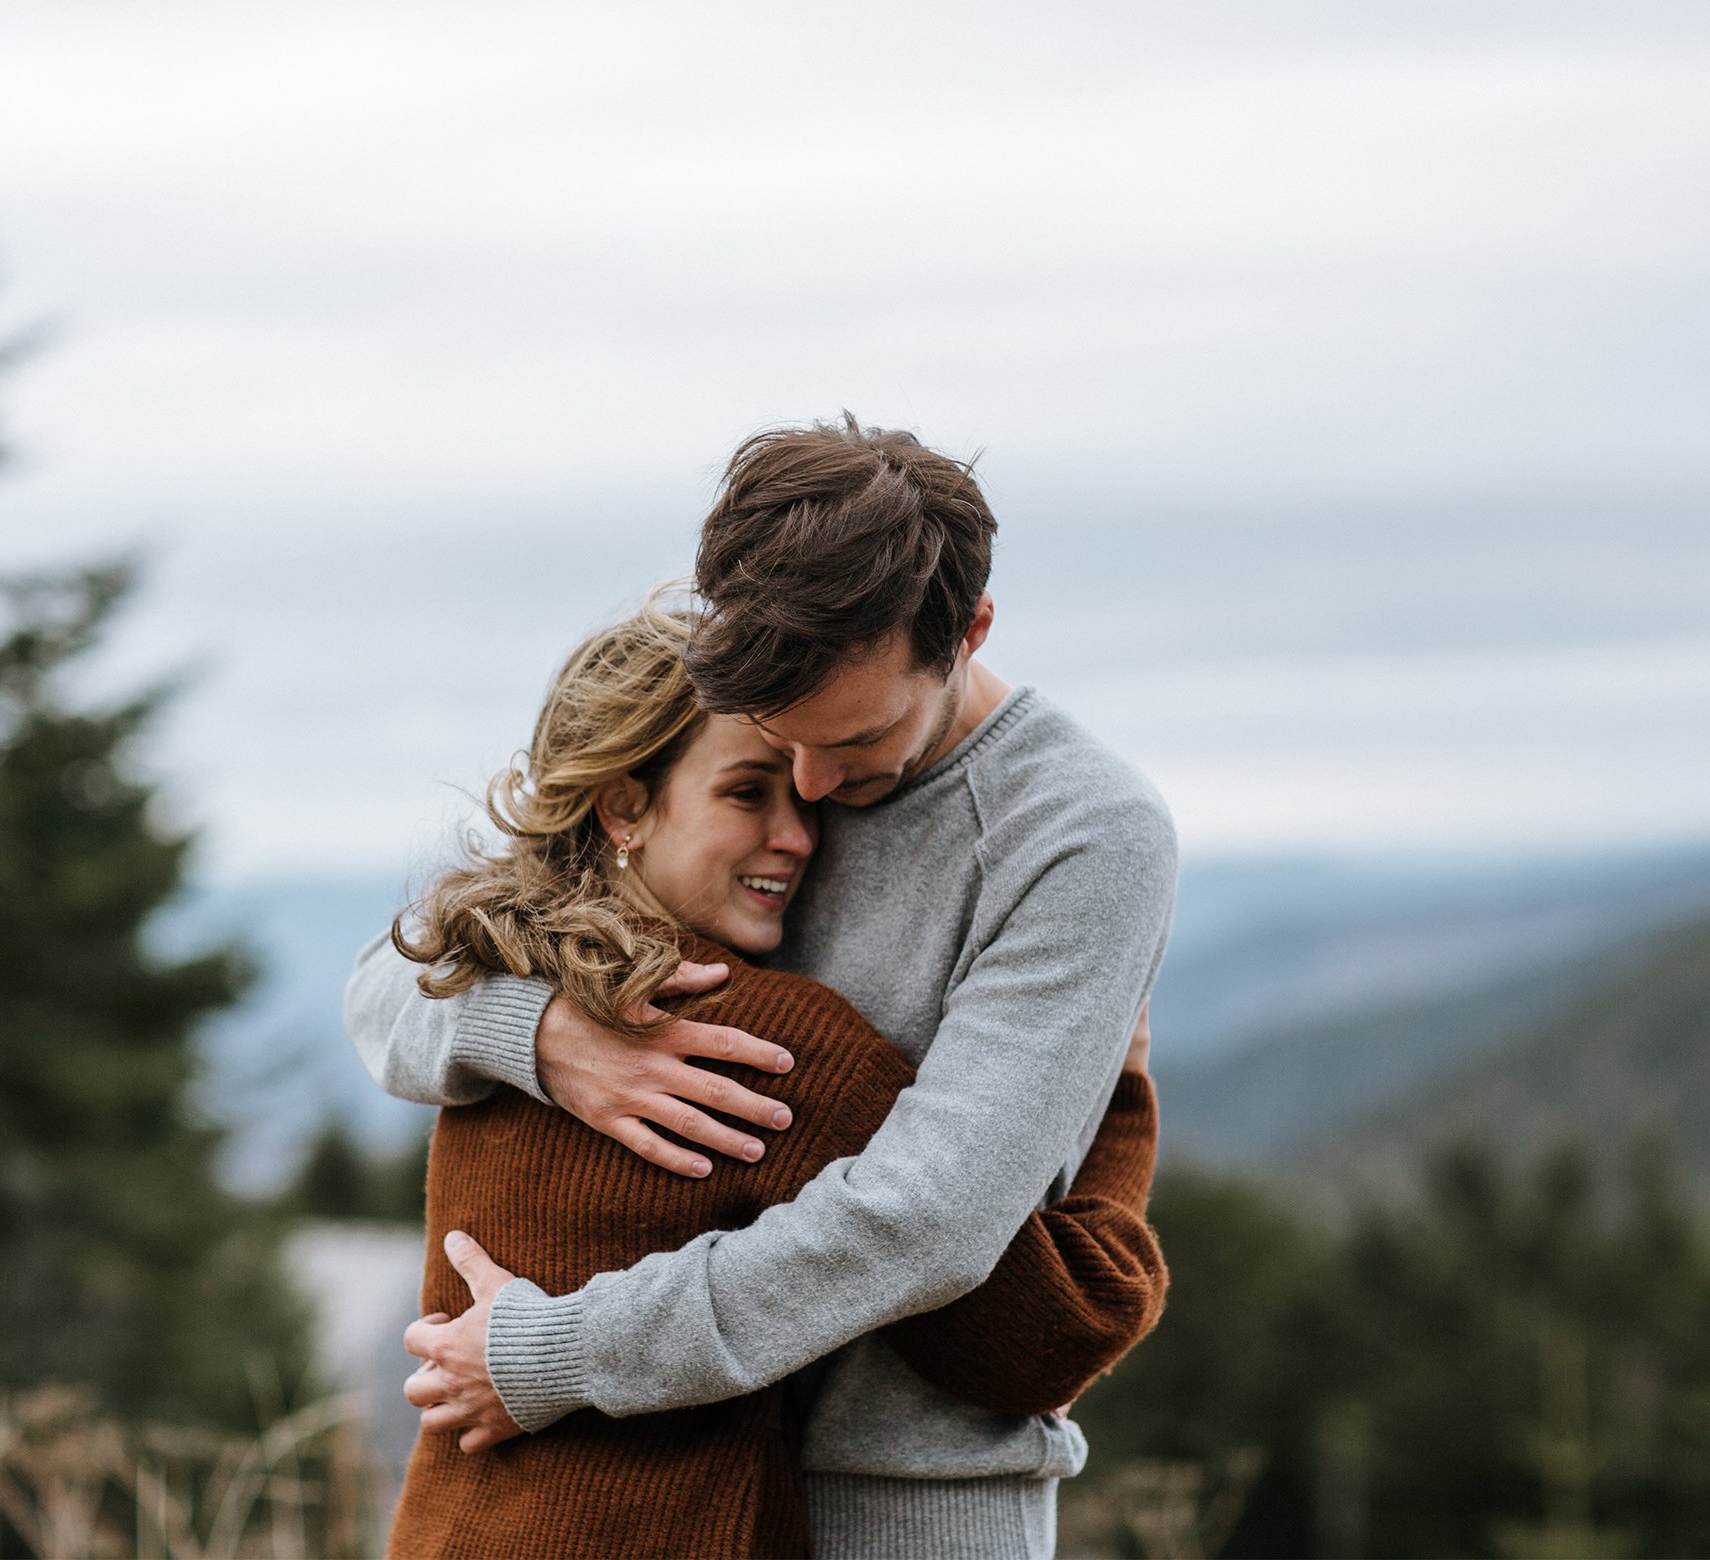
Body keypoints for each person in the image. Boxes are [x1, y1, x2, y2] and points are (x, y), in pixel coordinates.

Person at [347, 416, 1177, 1557]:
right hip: (677, 1482)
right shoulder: (735, 734)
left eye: (859, 737)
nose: (817, 790)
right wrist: (546, 1032)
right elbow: (393, 978)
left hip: (905, 1501)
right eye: (780, 749)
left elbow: (924, 1221)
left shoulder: (1082, 834)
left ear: (971, 630)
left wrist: (564, 1351)